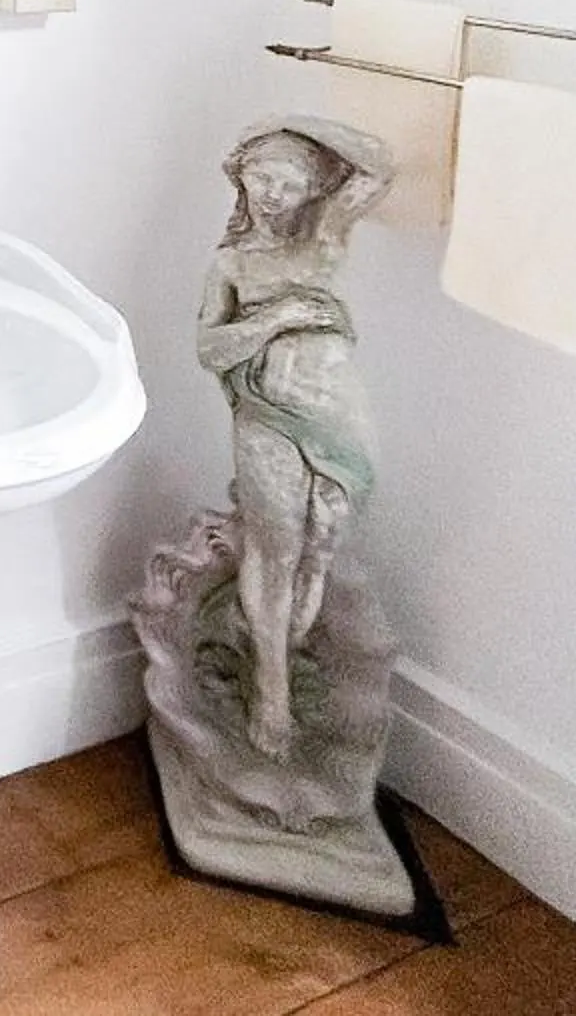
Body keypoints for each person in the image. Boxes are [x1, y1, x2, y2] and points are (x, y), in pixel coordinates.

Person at [194, 116, 393, 758]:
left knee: (322, 540)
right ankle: (272, 693)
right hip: (265, 415)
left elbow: (378, 166)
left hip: (335, 413)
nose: (274, 194)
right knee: (275, 547)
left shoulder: (326, 237)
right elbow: (208, 347)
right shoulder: (231, 262)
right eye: (262, 177)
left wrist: (288, 125)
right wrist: (275, 318)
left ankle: (281, 648)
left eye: (291, 181)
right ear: (242, 178)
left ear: (312, 190)